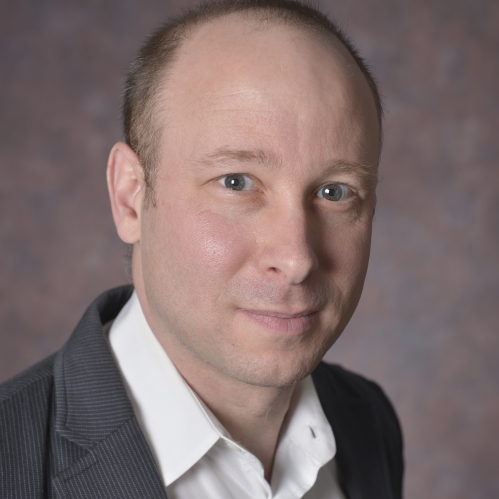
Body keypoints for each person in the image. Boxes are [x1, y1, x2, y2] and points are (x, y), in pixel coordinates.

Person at [0, 1, 403, 498]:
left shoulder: (368, 421)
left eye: (335, 192)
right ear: (130, 198)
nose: (297, 258)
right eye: (236, 182)